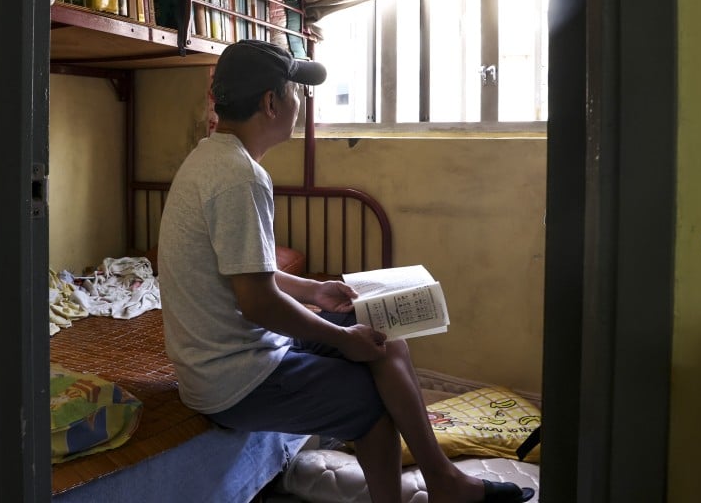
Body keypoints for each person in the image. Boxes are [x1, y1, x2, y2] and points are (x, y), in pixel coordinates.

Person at [157, 39, 534, 503]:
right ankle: (437, 486)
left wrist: (315, 292)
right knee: (374, 405)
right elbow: (257, 302)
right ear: (271, 103)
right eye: (296, 91)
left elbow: (250, 273)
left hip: (238, 354)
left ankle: (443, 481)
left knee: (382, 337)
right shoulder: (239, 177)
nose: (300, 102)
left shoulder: (212, 159)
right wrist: (339, 339)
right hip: (231, 379)